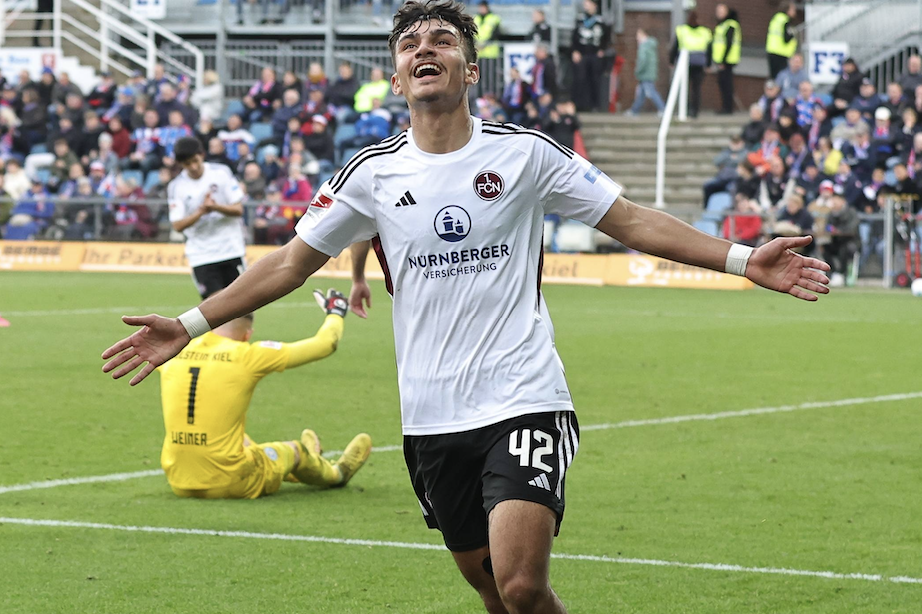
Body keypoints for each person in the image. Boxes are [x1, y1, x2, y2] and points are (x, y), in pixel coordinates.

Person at [101, 4, 830, 613]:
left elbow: (632, 220)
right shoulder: (370, 174)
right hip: (430, 416)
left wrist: (744, 259)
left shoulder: (526, 154)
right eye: (410, 44)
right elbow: (291, 262)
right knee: (489, 588)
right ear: (396, 77)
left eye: (443, 41)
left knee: (520, 584)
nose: (426, 49)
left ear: (470, 69)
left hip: (523, 396)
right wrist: (190, 325)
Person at [157, 290, 370, 499]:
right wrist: (335, 313)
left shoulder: (174, 352)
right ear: (247, 335)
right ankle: (336, 473)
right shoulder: (247, 355)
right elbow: (325, 344)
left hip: (178, 480)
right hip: (233, 481)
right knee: (294, 450)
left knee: (243, 441)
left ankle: (301, 465)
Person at [167, 137, 248, 299]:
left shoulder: (221, 172)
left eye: (195, 161)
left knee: (242, 307)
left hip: (231, 249)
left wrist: (215, 207)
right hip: (201, 255)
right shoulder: (176, 186)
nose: (193, 167)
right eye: (187, 164)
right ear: (181, 164)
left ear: (202, 155)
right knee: (215, 308)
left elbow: (238, 209)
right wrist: (201, 212)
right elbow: (177, 225)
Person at [671, 11, 711, 119]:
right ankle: (694, 111)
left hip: (685, 63)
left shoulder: (682, 30)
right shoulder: (705, 31)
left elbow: (675, 47)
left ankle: (686, 109)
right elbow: (709, 49)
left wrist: (671, 61)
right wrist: (708, 64)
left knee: (686, 88)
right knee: (696, 89)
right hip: (699, 63)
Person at [571, 0, 609, 113]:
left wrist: (602, 49)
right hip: (582, 54)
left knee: (595, 80)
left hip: (594, 54)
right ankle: (579, 105)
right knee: (580, 79)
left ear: (594, 5)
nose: (586, 6)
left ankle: (595, 105)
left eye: (588, 4)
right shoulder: (580, 19)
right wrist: (574, 51)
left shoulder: (600, 21)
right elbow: (574, 37)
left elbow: (606, 37)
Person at [626, 28, 664, 116]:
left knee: (652, 92)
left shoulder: (644, 46)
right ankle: (634, 110)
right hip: (649, 72)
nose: (637, 38)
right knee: (642, 93)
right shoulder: (650, 45)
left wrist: (638, 71)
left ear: (644, 34)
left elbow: (642, 60)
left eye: (638, 35)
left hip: (645, 74)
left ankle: (663, 109)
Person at [712, 4, 741, 115]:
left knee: (726, 84)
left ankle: (727, 108)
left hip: (727, 61)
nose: (718, 14)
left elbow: (729, 43)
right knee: (722, 83)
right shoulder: (722, 25)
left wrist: (723, 60)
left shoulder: (730, 25)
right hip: (721, 60)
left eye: (721, 11)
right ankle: (725, 107)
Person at [766, 1, 797, 79]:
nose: (794, 12)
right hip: (782, 53)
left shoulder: (776, 18)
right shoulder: (785, 21)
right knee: (782, 78)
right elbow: (786, 39)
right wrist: (793, 34)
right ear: (787, 9)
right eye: (793, 9)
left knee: (774, 77)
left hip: (772, 51)